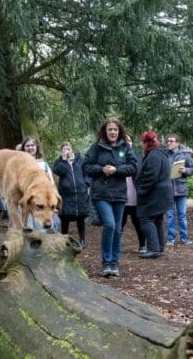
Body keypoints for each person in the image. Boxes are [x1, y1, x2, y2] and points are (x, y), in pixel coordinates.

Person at [83, 116, 137, 277]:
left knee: (118, 230)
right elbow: (86, 166)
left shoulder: (125, 147)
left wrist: (116, 170)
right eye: (110, 129)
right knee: (110, 225)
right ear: (105, 132)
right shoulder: (96, 148)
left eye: (115, 129)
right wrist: (101, 169)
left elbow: (133, 166)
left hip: (119, 193)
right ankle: (106, 262)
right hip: (101, 193)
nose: (113, 132)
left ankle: (115, 262)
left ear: (119, 131)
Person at [137, 131, 173, 259]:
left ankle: (153, 248)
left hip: (156, 193)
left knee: (145, 218)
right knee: (157, 219)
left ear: (147, 143)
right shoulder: (161, 153)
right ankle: (159, 248)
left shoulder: (154, 155)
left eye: (143, 143)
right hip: (163, 193)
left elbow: (151, 177)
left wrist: (140, 190)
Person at [20, 135, 59, 233]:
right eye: (27, 146)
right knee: (27, 231)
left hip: (42, 205)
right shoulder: (19, 164)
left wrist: (54, 206)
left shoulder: (44, 164)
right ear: (23, 148)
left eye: (32, 145)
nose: (30, 147)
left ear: (36, 147)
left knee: (41, 231)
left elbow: (52, 185)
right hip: (25, 202)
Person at [53, 142, 88, 248]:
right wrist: (64, 160)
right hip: (66, 195)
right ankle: (64, 239)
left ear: (72, 149)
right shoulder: (59, 162)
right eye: (64, 149)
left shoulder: (79, 160)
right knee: (65, 217)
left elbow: (86, 172)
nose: (67, 150)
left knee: (80, 218)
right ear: (62, 151)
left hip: (80, 194)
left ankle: (82, 239)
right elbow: (59, 172)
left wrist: (86, 183)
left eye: (68, 148)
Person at [165, 133, 193, 245]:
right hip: (168, 189)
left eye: (171, 141)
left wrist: (185, 170)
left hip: (181, 189)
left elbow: (192, 169)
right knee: (170, 215)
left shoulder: (185, 155)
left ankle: (184, 237)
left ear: (177, 143)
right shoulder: (165, 155)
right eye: (168, 141)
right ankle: (170, 238)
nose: (169, 143)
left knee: (182, 214)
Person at [121, 133, 146, 254]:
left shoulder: (138, 156)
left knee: (138, 223)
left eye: (128, 140)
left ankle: (142, 245)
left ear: (132, 142)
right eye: (124, 140)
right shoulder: (118, 155)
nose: (126, 142)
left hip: (136, 196)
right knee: (119, 224)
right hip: (121, 196)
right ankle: (117, 246)